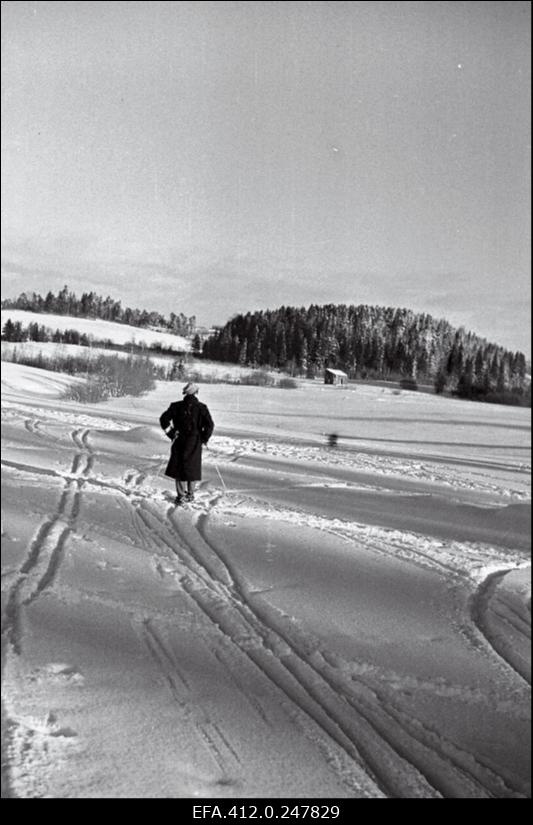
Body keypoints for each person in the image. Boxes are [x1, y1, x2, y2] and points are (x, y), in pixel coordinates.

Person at [159, 382, 214, 505]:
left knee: (180, 468)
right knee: (192, 468)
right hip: (195, 441)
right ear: (196, 393)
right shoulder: (202, 407)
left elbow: (163, 419)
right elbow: (210, 425)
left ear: (185, 393)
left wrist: (171, 434)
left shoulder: (175, 406)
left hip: (179, 440)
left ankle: (181, 496)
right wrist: (204, 439)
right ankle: (190, 494)